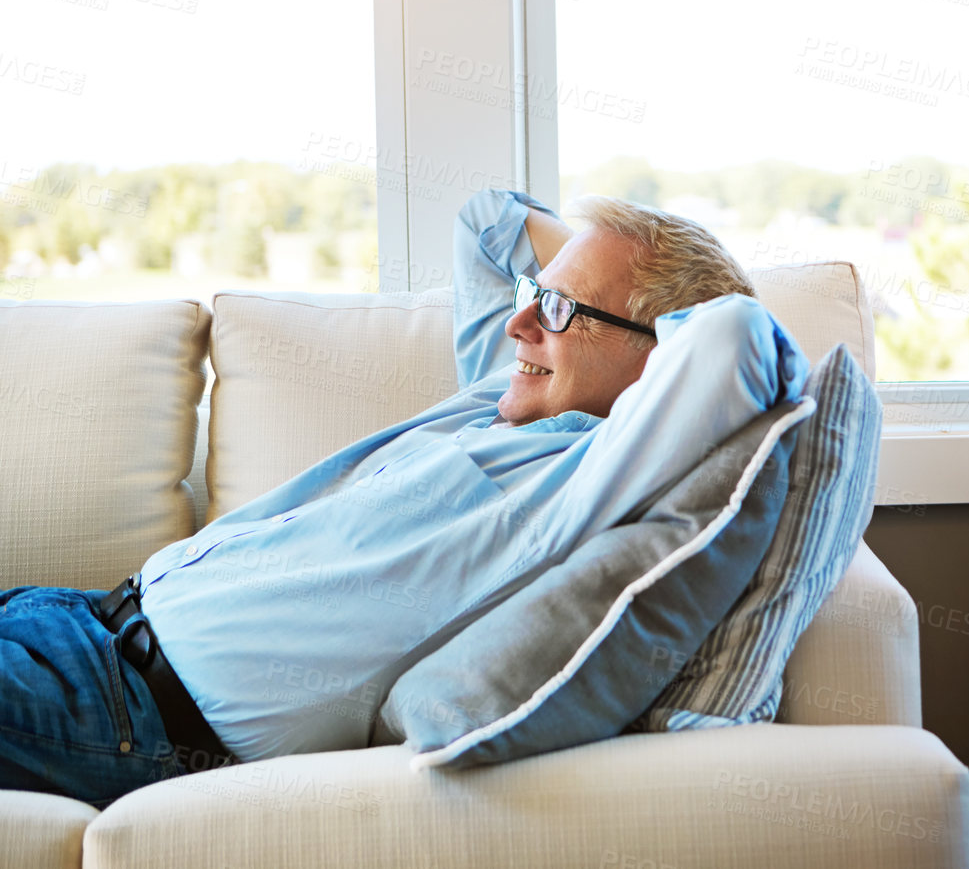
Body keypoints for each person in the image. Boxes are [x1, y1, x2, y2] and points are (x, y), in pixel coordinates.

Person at [0, 189, 808, 807]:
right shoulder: (503, 397)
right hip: (71, 620)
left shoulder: (587, 479)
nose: (518, 324)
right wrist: (585, 285)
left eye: (556, 310)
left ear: (659, 356)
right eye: (535, 296)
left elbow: (732, 337)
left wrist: (651, 304)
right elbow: (485, 217)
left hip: (114, 711)